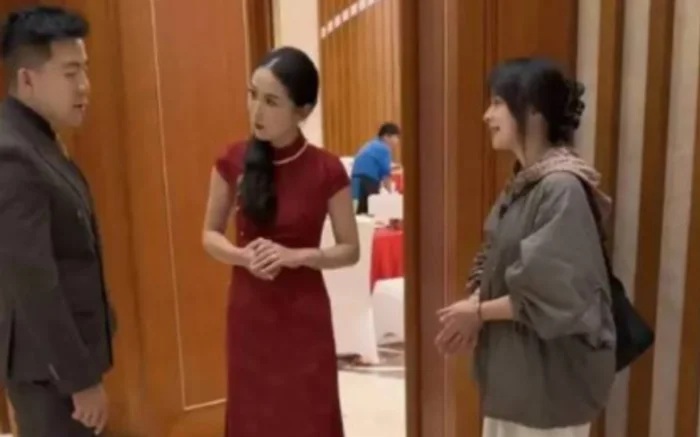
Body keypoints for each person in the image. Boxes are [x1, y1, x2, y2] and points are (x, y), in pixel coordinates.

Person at [435, 58, 615, 437]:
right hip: (520, 375)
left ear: (533, 110)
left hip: (550, 383)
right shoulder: (527, 183)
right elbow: (493, 254)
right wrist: (475, 304)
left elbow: (552, 291)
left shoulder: (560, 187)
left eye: (498, 102)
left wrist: (478, 312)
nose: (487, 115)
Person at [202, 46, 360, 437]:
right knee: (254, 417)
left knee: (308, 416)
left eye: (271, 102)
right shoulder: (232, 159)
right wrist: (242, 256)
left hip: (304, 316)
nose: (256, 111)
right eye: (252, 94)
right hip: (250, 313)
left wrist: (297, 255)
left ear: (303, 111)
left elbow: (350, 249)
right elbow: (209, 235)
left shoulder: (327, 169)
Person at [0, 6, 115, 436]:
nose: (85, 85)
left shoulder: (38, 138)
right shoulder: (12, 155)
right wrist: (79, 381)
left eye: (84, 69)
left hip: (60, 364)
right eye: (70, 73)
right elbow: (33, 282)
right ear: (28, 79)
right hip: (50, 374)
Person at [350, 122, 400, 214]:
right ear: (386, 136)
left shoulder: (371, 144)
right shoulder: (384, 148)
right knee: (370, 213)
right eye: (396, 137)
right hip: (367, 181)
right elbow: (386, 174)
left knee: (358, 212)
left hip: (355, 181)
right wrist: (391, 194)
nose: (397, 141)